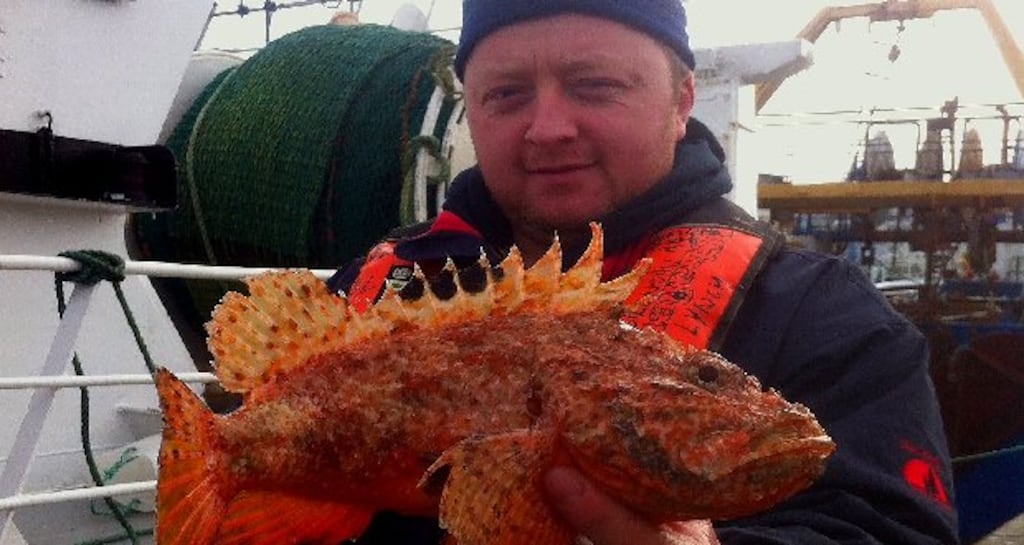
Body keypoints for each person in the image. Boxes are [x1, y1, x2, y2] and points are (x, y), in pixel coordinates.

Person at [329, 0, 960, 543]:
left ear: (683, 98)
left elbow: (888, 528)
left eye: (594, 85)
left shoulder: (827, 320)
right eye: (506, 94)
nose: (548, 129)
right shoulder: (375, 288)